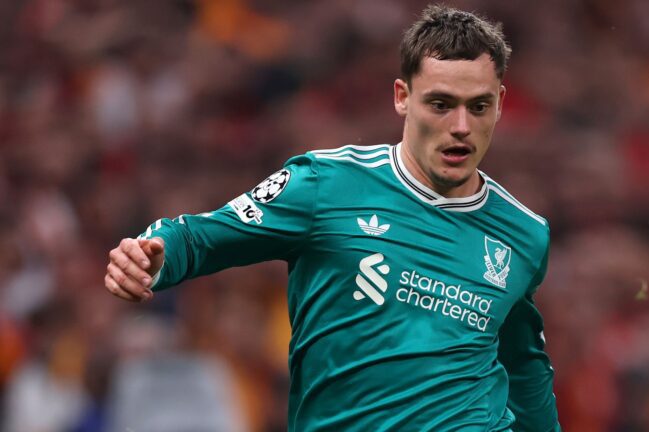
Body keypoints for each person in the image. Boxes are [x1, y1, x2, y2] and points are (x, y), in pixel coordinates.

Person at [105, 5, 560, 431]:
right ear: (403, 97)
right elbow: (200, 237)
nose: (461, 126)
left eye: (478, 106)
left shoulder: (524, 234)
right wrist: (152, 256)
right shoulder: (326, 184)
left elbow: (523, 365)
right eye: (440, 104)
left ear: (500, 103)